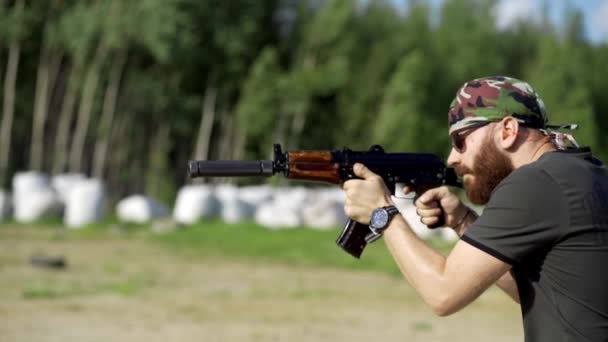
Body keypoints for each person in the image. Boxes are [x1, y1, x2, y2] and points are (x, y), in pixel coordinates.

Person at [342, 76, 608, 341]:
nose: (452, 158)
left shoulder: (535, 181)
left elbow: (442, 293)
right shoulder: (589, 174)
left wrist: (382, 212)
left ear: (507, 130)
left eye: (460, 140)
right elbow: (541, 291)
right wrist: (463, 222)